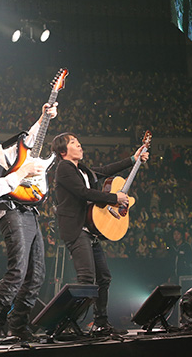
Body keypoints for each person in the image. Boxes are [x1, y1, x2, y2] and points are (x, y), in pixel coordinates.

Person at [0, 104, 57, 343]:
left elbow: (30, 140)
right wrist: (22, 172)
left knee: (36, 275)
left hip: (29, 212)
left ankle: (19, 326)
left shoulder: (3, 153)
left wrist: (44, 116)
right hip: (10, 216)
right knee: (17, 272)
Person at [51, 132, 149, 335]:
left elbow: (104, 171)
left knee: (103, 277)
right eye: (73, 143)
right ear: (62, 151)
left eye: (78, 142)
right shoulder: (64, 168)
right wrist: (114, 198)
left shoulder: (82, 169)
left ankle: (101, 322)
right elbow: (83, 192)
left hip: (90, 230)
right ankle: (66, 323)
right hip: (77, 229)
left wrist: (133, 159)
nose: (79, 145)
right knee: (87, 278)